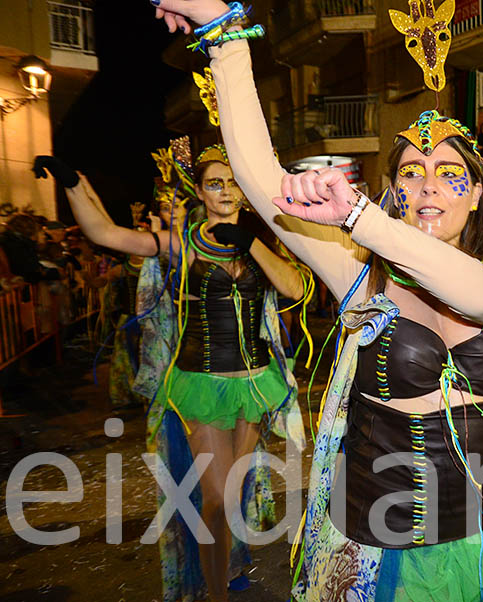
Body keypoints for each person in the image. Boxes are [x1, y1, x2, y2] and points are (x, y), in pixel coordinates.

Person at [149, 2, 483, 599]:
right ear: (394, 191)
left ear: (479, 191)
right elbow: (260, 177)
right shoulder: (364, 275)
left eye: (448, 171)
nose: (428, 185)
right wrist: (221, 30)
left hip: (480, 551)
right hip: (377, 553)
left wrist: (359, 217)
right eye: (409, 172)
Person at [33, 143, 307, 602]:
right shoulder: (183, 245)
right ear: (198, 191)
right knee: (215, 500)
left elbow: (295, 287)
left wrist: (253, 244)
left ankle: (231, 563)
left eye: (233, 182)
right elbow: (106, 234)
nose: (225, 190)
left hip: (256, 384)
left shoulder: (264, 241)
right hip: (201, 384)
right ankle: (215, 593)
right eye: (214, 183)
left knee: (234, 492)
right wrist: (73, 183)